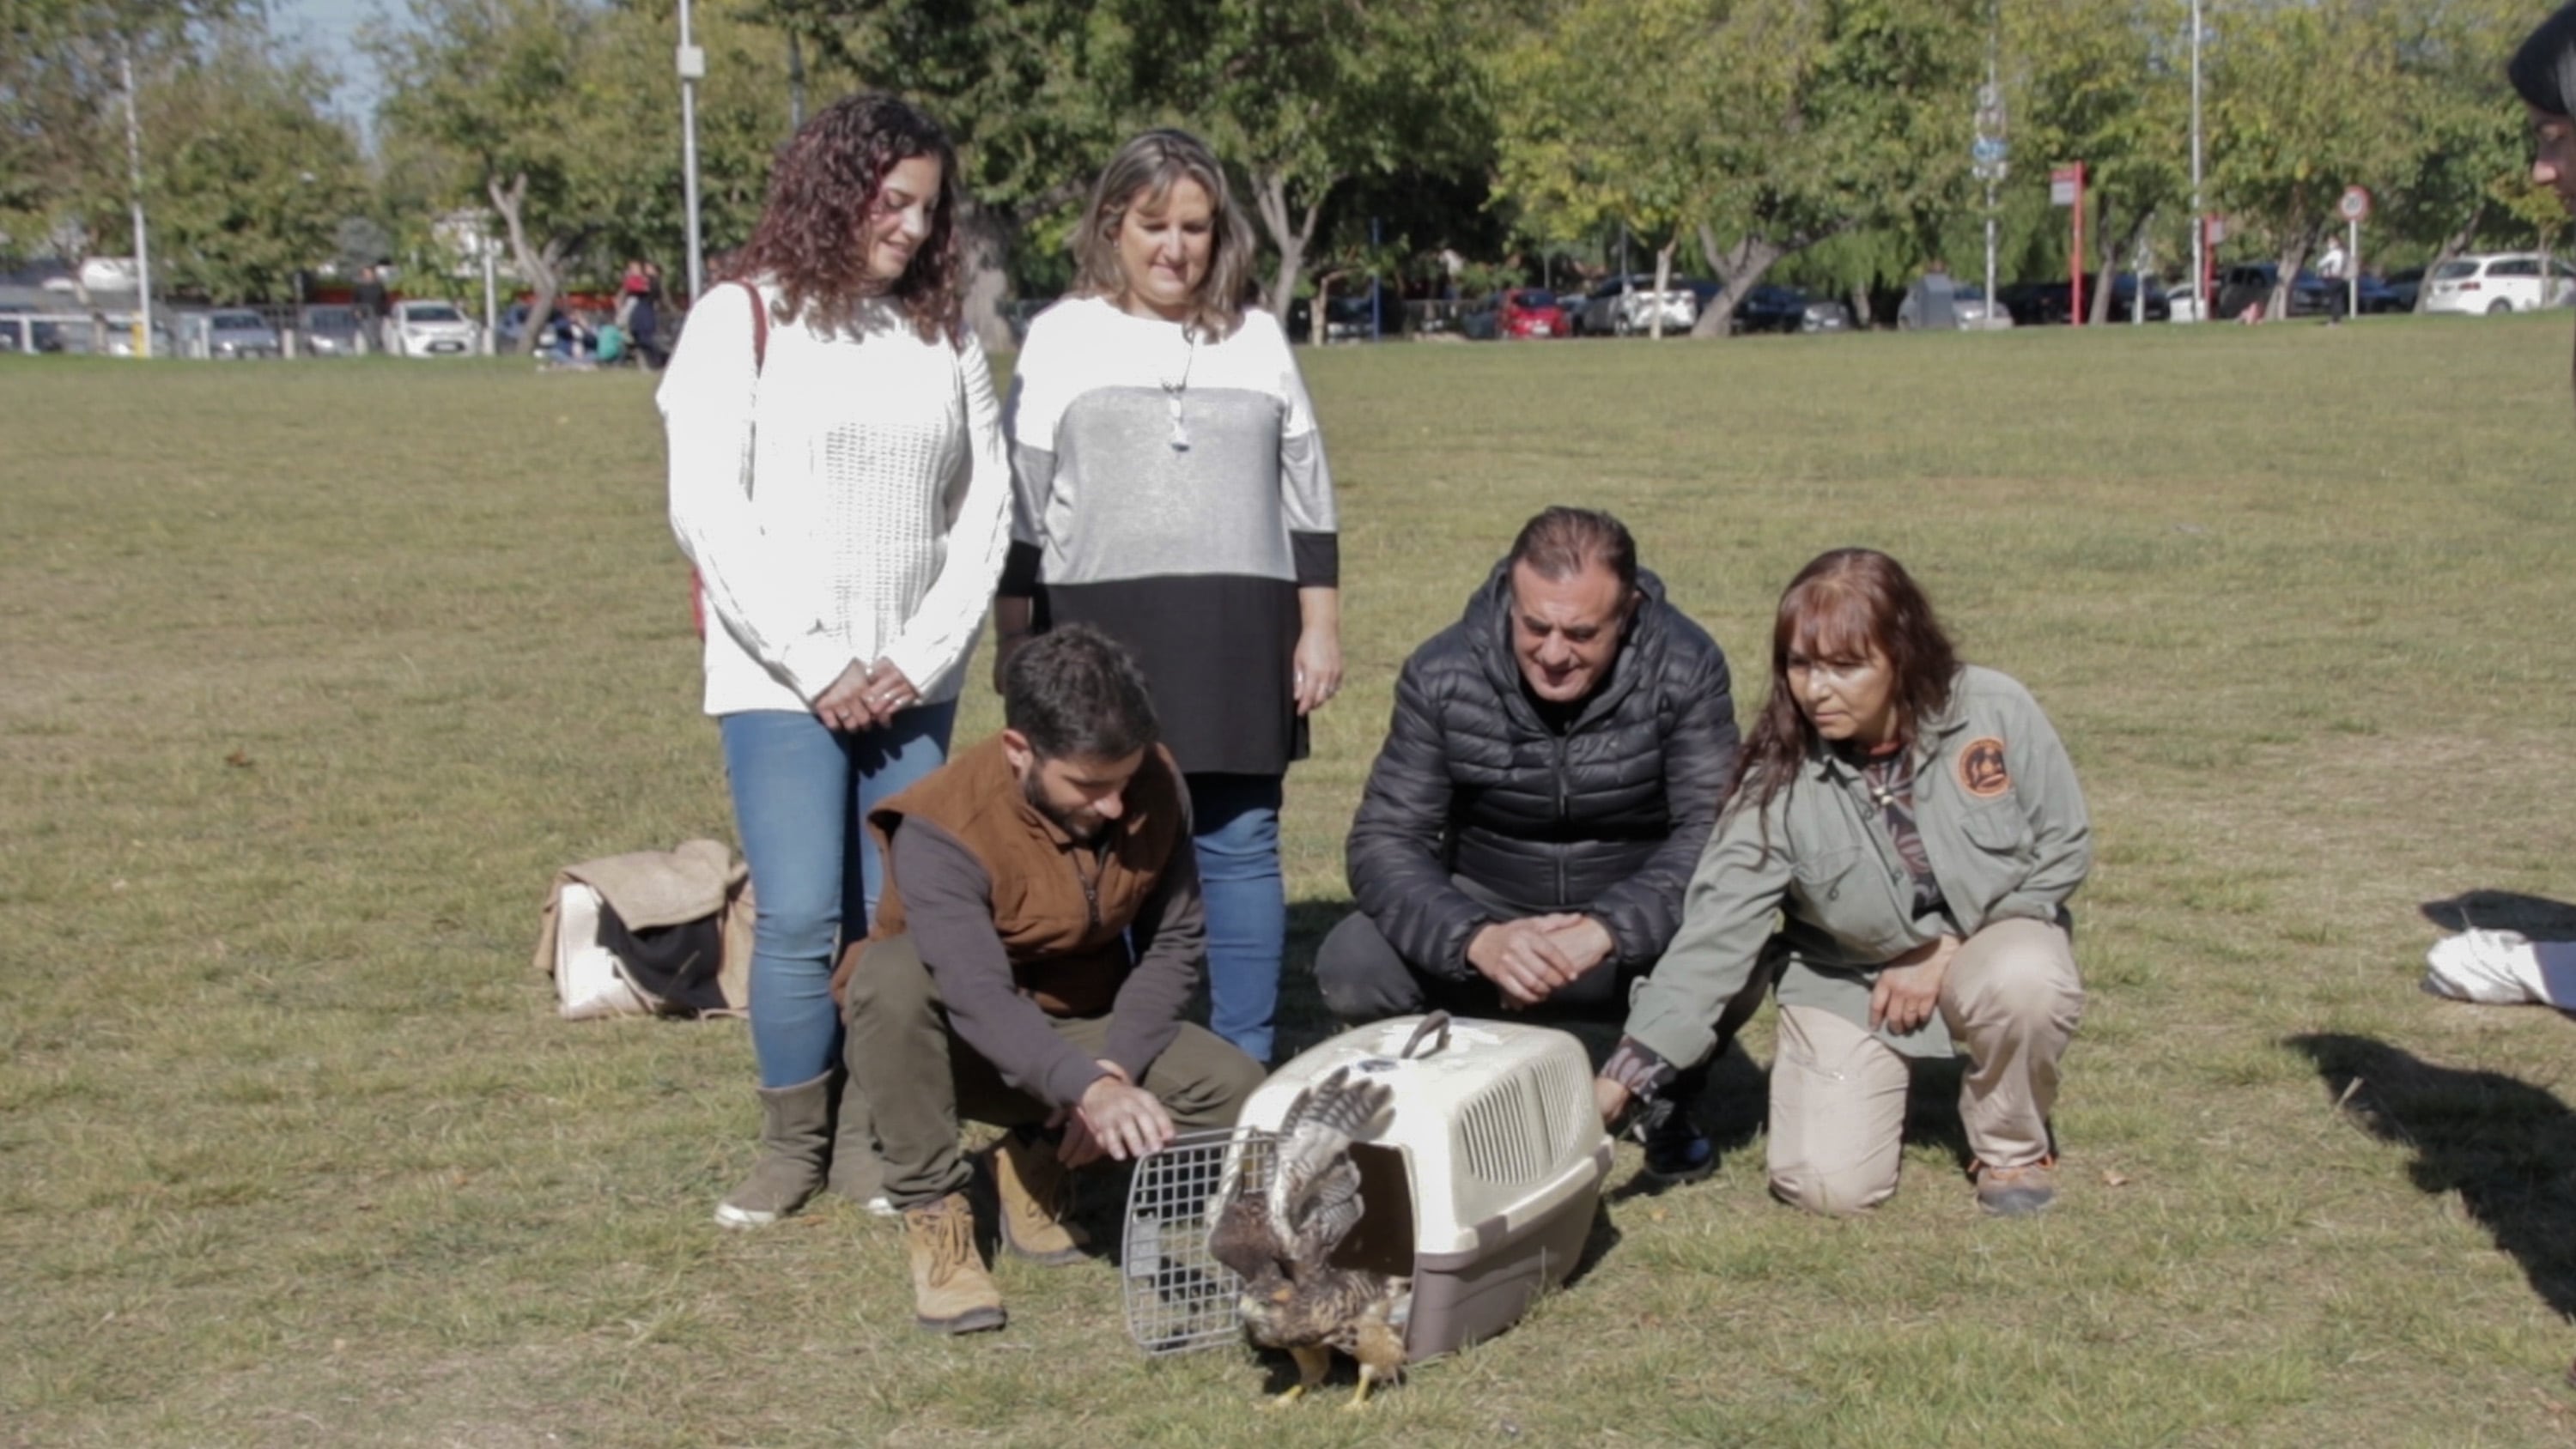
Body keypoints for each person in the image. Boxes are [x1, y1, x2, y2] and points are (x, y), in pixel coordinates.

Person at [659, 93, 1013, 1231]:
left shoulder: (942, 333)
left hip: (912, 681)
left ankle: (875, 1135)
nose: (912, 228)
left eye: (929, 209)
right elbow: (708, 508)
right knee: (805, 911)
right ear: (830, 186)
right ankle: (790, 1144)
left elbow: (986, 509)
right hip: (780, 682)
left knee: (891, 917)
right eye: (893, 200)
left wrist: (917, 654)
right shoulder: (739, 318)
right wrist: (817, 663)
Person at [1592, 549, 2090, 1218]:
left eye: (1845, 666)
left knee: (2028, 978)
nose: (1817, 689)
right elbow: (1712, 939)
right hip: (1848, 978)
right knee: (1825, 1187)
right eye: (1800, 664)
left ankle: (2011, 1148)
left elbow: (2061, 846)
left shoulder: (1994, 709)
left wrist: (1941, 953)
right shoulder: (1774, 782)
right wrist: (1621, 1081)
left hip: (1990, 941)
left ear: (1903, 655)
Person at [997, 127, 1342, 1065]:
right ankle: (1142, 1054)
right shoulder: (1062, 335)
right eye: (1154, 225)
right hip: (1103, 627)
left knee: (1238, 846)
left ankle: (1243, 1063)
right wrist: (1014, 639)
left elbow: (1306, 487)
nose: (1175, 247)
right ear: (1115, 224)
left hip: (1239, 628)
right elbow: (1021, 505)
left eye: (1194, 226)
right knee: (1123, 844)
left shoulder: (1259, 337)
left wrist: (1319, 626)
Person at [835, 624, 1264, 1334]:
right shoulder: (940, 826)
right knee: (891, 973)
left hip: (1083, 1021)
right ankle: (937, 1217)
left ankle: (1035, 1162)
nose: (1115, 807)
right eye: (1090, 786)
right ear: (1018, 751)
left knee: (1237, 1095)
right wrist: (1086, 1089)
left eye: (1126, 781)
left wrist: (1114, 1067)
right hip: (957, 1041)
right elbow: (974, 994)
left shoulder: (1153, 783)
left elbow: (1173, 944)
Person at [1316, 506, 1751, 1179]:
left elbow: (1713, 832)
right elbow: (1384, 839)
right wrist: (1478, 939)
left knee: (1741, 946)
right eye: (1535, 626)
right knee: (1354, 960)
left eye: (1581, 633)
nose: (1553, 653)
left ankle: (1662, 1098)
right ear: (1511, 599)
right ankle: (1447, 1100)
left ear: (1629, 610)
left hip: (1627, 929)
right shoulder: (1441, 671)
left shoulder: (1687, 665)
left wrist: (1606, 928)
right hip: (1489, 912)